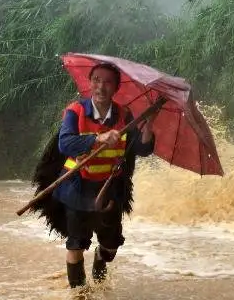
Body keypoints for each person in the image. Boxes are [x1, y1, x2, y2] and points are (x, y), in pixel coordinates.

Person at [51, 62, 156, 289]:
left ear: (116, 88)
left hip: (110, 189)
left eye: (107, 82)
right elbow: (65, 143)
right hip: (77, 186)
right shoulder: (75, 111)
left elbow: (142, 149)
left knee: (110, 247)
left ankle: (101, 257)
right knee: (76, 244)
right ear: (90, 83)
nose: (101, 86)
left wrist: (148, 127)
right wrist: (97, 138)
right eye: (96, 80)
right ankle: (79, 294)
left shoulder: (124, 114)